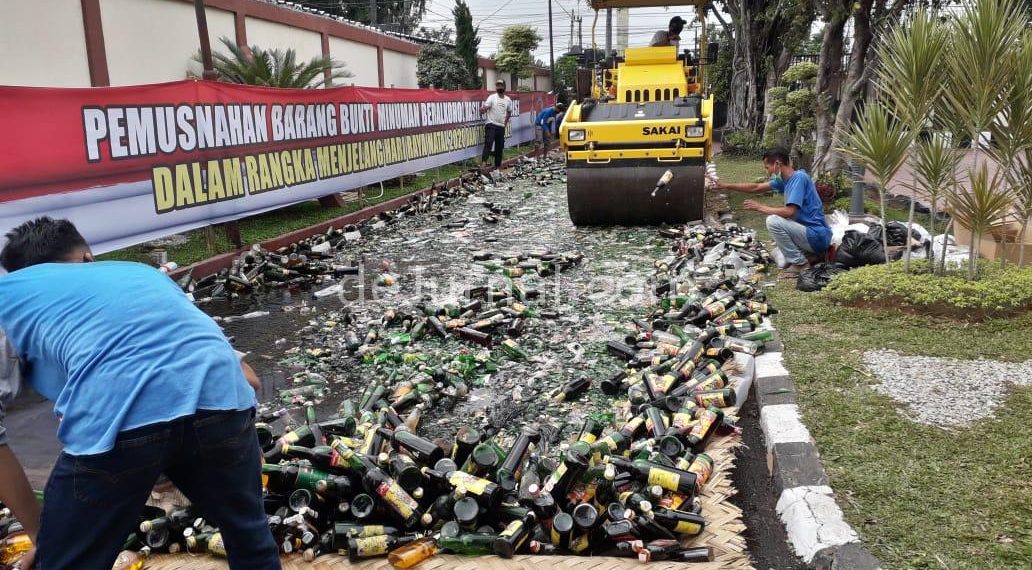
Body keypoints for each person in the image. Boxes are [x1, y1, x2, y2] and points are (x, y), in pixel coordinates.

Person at [0, 217, 280, 570]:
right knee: (250, 539)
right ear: (87, 258)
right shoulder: (138, 274)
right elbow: (248, 377)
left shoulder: (10, 297)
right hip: (225, 398)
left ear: (21, 274)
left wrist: (43, 535)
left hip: (119, 418)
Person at [712, 149, 832, 278]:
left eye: (767, 167)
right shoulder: (784, 180)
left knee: (773, 221)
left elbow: (789, 211)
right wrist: (725, 185)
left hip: (816, 235)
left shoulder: (799, 179)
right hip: (806, 235)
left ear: (777, 164)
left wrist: (760, 207)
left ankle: (801, 265)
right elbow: (756, 188)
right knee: (779, 256)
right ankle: (815, 256)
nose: (767, 171)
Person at [480, 79, 513, 170]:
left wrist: (505, 123)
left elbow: (509, 112)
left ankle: (497, 167)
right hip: (491, 124)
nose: (499, 87)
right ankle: (483, 164)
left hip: (501, 127)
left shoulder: (508, 100)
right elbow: (486, 107)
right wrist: (483, 109)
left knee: (499, 147)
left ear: (504, 87)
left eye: (501, 85)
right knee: (488, 144)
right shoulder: (492, 97)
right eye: (497, 85)